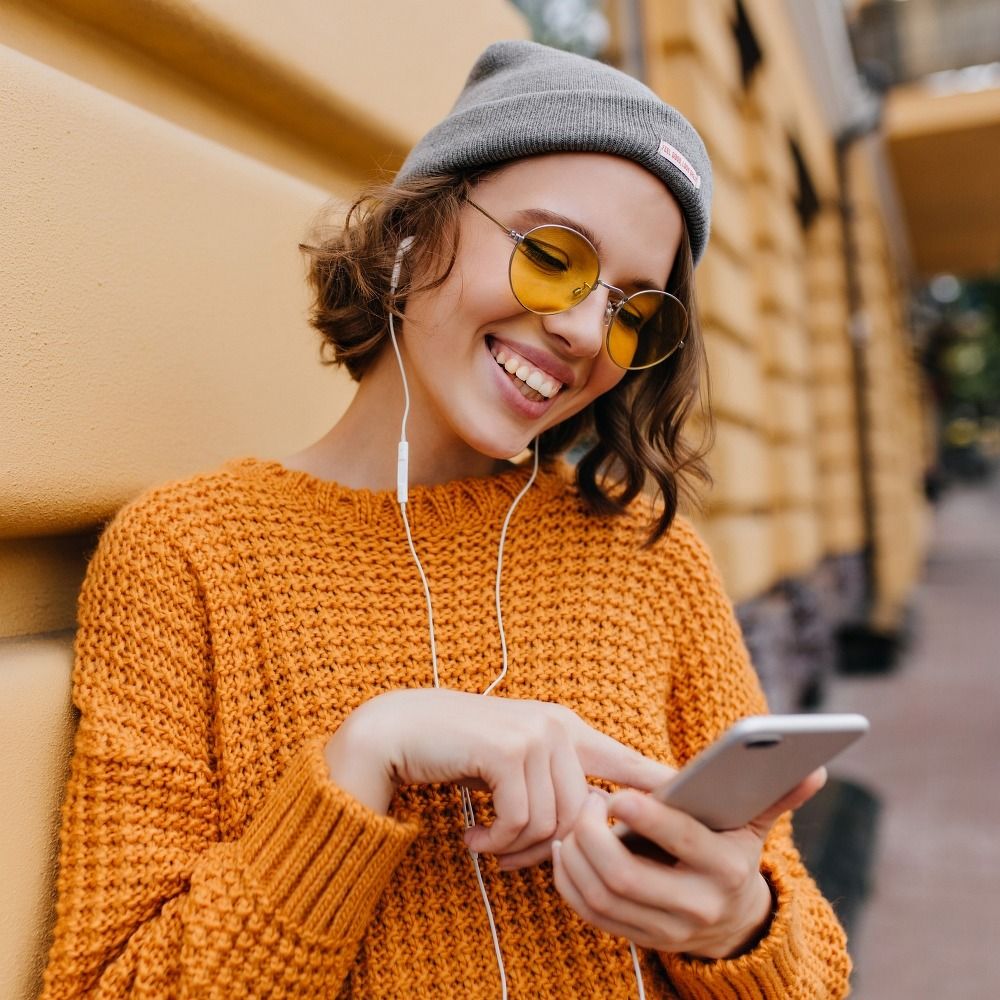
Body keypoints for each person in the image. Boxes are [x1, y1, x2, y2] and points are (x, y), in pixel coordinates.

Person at [42, 40, 851, 999]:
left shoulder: (651, 556)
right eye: (553, 255)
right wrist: (362, 762)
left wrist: (738, 927)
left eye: (637, 310)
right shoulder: (189, 555)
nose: (589, 334)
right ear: (417, 230)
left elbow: (811, 971)